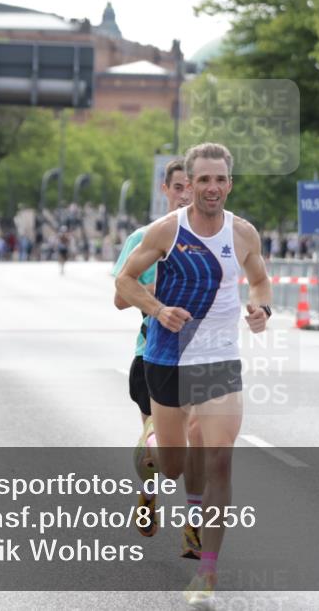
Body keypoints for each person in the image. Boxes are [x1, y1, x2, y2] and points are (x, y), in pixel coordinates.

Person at [115, 143, 272, 606]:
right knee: (173, 466)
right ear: (190, 183)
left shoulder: (243, 234)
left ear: (230, 183)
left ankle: (206, 574)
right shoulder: (166, 231)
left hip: (218, 358)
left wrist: (262, 308)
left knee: (219, 459)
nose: (211, 188)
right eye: (202, 179)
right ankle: (149, 451)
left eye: (219, 179)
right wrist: (158, 309)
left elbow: (260, 280)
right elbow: (124, 282)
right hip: (166, 357)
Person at [111, 160, 206, 558]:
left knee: (199, 443)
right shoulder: (143, 237)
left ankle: (194, 525)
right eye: (179, 187)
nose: (187, 194)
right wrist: (155, 291)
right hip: (152, 354)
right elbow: (119, 297)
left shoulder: (216, 237)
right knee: (161, 446)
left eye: (193, 187)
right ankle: (149, 492)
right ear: (166, 190)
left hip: (204, 357)